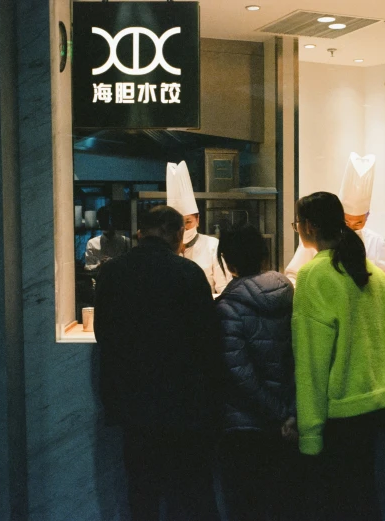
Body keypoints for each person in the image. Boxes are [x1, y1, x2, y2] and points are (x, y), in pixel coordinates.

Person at [94, 205, 223, 521]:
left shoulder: (111, 273)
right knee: (186, 493)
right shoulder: (189, 274)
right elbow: (208, 342)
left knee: (142, 493)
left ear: (141, 232)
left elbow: (104, 335)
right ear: (176, 234)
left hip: (133, 403)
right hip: (182, 403)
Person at [291, 192, 385, 521]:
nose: (297, 229)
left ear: (310, 227)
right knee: (362, 499)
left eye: (296, 224)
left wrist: (310, 433)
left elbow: (311, 363)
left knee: (335, 506)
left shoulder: (314, 275)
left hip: (339, 414)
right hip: (373, 407)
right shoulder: (370, 270)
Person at [214, 223, 298, 521]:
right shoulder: (289, 291)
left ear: (228, 261)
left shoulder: (226, 307)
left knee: (247, 508)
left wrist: (277, 413)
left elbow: (239, 373)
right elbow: (301, 356)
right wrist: (289, 413)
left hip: (245, 426)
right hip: (289, 423)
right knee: (283, 506)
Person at [285, 153, 385, 300]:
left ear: (367, 217)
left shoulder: (374, 242)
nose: (352, 228)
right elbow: (293, 276)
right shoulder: (315, 244)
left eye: (359, 223)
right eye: (347, 222)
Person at [166, 160, 232, 293]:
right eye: (177, 224)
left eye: (188, 222)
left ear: (198, 220)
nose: (183, 229)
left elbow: (224, 289)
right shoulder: (164, 250)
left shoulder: (212, 246)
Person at [84, 206, 130, 271]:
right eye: (104, 220)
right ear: (98, 222)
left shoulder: (125, 241)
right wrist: (99, 265)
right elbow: (88, 266)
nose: (108, 223)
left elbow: (130, 265)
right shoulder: (92, 243)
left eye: (110, 220)